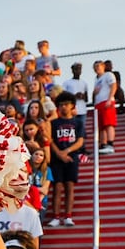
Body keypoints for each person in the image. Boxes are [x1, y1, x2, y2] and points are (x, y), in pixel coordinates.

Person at [47, 96, 84, 226]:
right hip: (56, 159)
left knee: (69, 187)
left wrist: (67, 152)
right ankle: (56, 216)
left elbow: (80, 140)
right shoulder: (54, 123)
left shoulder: (78, 122)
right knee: (57, 187)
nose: (64, 107)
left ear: (72, 106)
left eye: (66, 104)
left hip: (72, 158)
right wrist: (59, 153)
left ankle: (68, 216)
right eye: (61, 104)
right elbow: (50, 140)